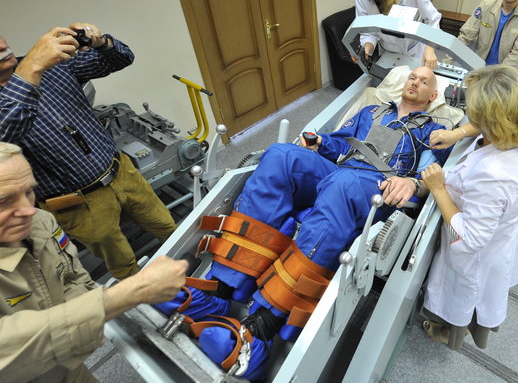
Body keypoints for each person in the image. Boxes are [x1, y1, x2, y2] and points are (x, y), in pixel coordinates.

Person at [158, 66, 452, 378]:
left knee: (344, 186)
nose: (415, 83)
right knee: (281, 155)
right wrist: (319, 142)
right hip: (340, 173)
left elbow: (430, 176)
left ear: (432, 96)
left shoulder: (431, 132)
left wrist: (413, 184)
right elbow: (342, 143)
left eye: (424, 82)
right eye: (412, 77)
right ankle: (220, 290)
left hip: (378, 189)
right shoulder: (371, 110)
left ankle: (262, 329)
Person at [0, 141, 188, 382]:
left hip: (65, 367)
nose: (27, 210)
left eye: (28, 192)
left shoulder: (41, 223)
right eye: (4, 201)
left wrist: (80, 324)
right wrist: (130, 292)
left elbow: (72, 278)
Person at [0, 26, 177, 279]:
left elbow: (121, 58)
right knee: (122, 263)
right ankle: (144, 297)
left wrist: (101, 42)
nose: (2, 46)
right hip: (77, 203)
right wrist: (31, 70)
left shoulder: (52, 64)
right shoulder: (36, 65)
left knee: (166, 225)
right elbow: (5, 133)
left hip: (122, 173)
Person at [420, 65, 518, 350]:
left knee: (462, 299)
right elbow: (493, 119)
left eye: (475, 111)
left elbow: (472, 238)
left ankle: (445, 330)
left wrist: (438, 188)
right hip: (499, 237)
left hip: (477, 253)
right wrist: (458, 133)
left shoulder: (496, 175)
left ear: (492, 120)